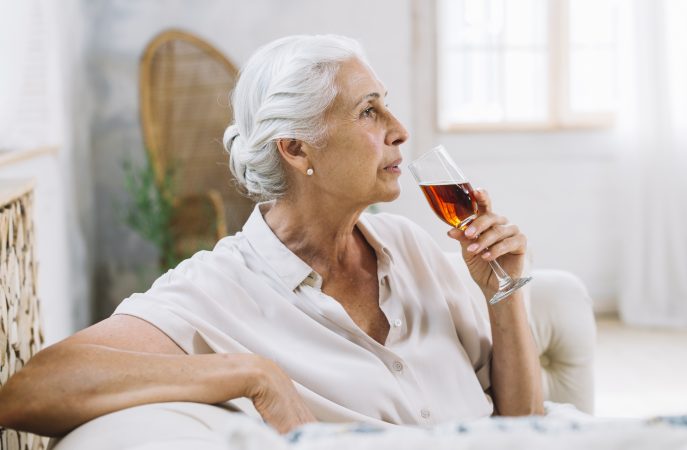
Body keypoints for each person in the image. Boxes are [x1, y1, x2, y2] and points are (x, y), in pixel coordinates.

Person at [0, 34, 543, 437]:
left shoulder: (413, 247)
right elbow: (29, 391)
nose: (399, 129)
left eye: (386, 104)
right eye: (368, 111)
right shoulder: (218, 289)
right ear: (297, 149)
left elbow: (526, 426)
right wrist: (252, 374)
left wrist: (503, 290)